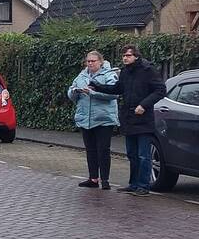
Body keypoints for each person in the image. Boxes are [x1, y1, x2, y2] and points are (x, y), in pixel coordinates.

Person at [90, 45, 166, 196]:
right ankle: (133, 184)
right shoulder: (125, 71)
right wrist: (97, 86)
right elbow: (118, 89)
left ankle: (144, 186)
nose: (125, 58)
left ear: (136, 57)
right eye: (124, 55)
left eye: (128, 55)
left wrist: (144, 105)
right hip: (129, 118)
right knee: (132, 154)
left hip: (143, 119)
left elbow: (160, 90)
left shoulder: (147, 70)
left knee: (144, 155)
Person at [67, 50, 119, 189]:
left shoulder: (109, 75)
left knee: (103, 149)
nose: (90, 63)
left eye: (93, 61)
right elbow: (71, 90)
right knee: (90, 150)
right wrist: (74, 92)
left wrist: (92, 93)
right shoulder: (82, 75)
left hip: (103, 119)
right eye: (88, 61)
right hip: (85, 118)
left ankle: (105, 180)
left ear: (100, 62)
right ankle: (93, 178)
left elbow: (114, 94)